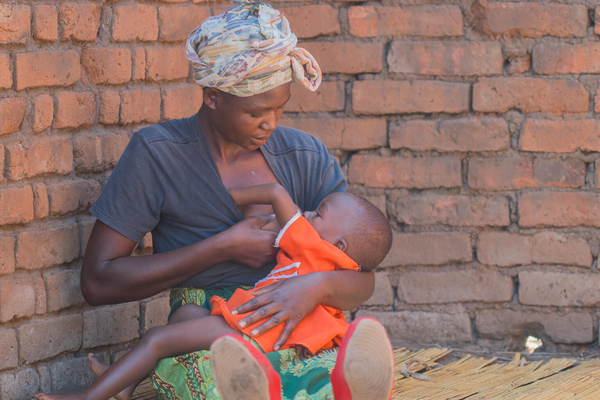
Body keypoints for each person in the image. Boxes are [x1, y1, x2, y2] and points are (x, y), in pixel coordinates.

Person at [68, 1, 388, 399]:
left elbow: (360, 274)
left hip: (295, 325)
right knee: (217, 374)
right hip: (209, 327)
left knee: (323, 376)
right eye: (256, 112)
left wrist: (315, 288)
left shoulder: (305, 157)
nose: (270, 122)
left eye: (280, 107)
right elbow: (98, 282)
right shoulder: (159, 155)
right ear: (213, 96)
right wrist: (220, 248)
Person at [33, 186, 395, 400]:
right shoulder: (342, 265)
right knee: (180, 337)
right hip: (286, 336)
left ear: (339, 243)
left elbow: (274, 193)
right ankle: (123, 385)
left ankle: (87, 397)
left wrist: (209, 196)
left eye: (321, 213)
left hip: (253, 324)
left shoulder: (315, 248)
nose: (311, 213)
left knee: (159, 340)